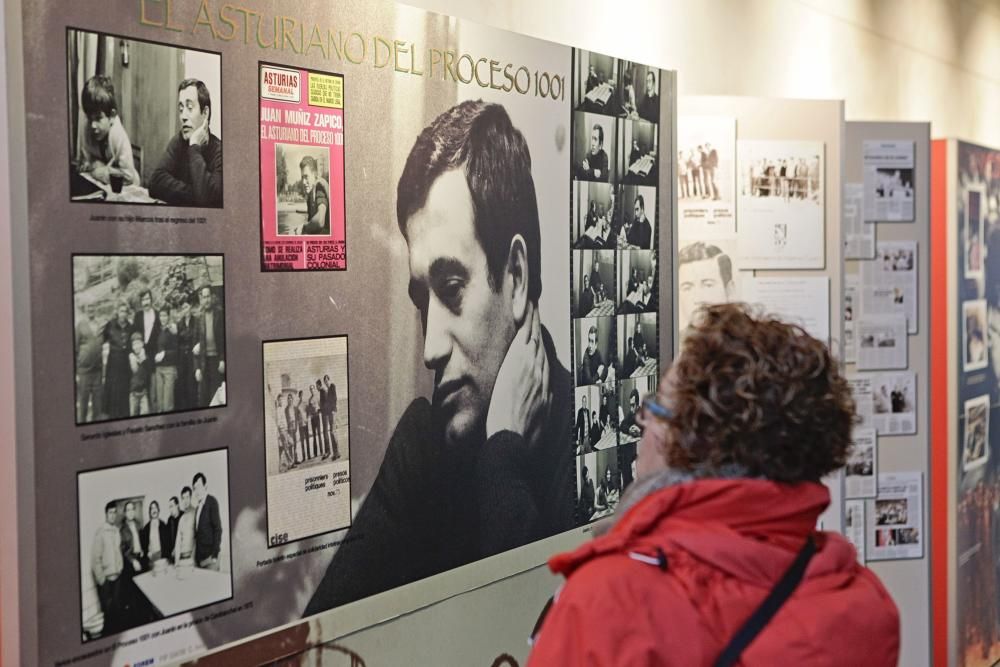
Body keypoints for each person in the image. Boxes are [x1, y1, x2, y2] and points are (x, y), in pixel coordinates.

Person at [305, 100, 574, 615]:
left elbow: (540, 636)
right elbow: (319, 639)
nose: (430, 349)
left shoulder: (583, 435)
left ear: (515, 278)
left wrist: (503, 460)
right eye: (422, 302)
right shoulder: (422, 442)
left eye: (451, 288)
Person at [527, 303, 900, 666]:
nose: (643, 423)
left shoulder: (611, 602)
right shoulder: (858, 598)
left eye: (655, 409)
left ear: (683, 439)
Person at [149, 79, 223, 206]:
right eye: (181, 109)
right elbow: (155, 182)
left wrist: (194, 147)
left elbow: (209, 201)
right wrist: (195, 195)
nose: (183, 116)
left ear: (205, 113)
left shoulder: (220, 151)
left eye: (189, 108)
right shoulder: (178, 141)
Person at [76, 75, 140, 186]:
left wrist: (103, 170)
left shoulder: (118, 135)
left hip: (127, 186)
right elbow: (87, 161)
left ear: (112, 116)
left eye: (98, 118)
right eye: (89, 118)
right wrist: (87, 164)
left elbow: (129, 176)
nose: (93, 125)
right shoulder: (87, 128)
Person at [678, 241, 736, 332]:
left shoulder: (748, 342)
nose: (698, 299)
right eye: (687, 288)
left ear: (729, 290)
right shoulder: (676, 343)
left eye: (708, 285)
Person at [91, 501, 124, 634]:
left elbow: (118, 551)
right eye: (110, 512)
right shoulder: (100, 532)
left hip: (118, 577)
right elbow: (95, 560)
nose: (113, 515)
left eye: (115, 512)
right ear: (106, 514)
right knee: (109, 615)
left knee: (117, 612)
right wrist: (102, 581)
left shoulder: (116, 531)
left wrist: (120, 569)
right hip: (107, 582)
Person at [194, 285, 225, 406]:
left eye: (208, 296)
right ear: (201, 299)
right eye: (203, 297)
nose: (206, 300)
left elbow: (224, 339)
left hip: (216, 361)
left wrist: (223, 359)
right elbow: (195, 346)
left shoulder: (220, 314)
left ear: (211, 297)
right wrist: (197, 368)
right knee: (203, 398)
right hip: (203, 362)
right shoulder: (198, 318)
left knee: (216, 396)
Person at [102, 302, 132, 420]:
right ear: (117, 312)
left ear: (127, 313)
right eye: (121, 311)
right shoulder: (110, 325)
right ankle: (113, 415)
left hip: (125, 362)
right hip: (113, 361)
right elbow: (103, 340)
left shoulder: (130, 326)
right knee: (114, 388)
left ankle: (124, 415)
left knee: (124, 387)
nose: (123, 314)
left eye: (125, 311)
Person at [132, 290, 161, 411]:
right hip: (141, 357)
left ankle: (153, 412)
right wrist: (137, 353)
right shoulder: (138, 316)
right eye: (143, 300)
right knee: (142, 388)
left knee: (153, 389)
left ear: (151, 300)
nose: (146, 302)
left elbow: (161, 334)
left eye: (148, 299)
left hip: (154, 358)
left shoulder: (158, 314)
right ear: (141, 302)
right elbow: (134, 335)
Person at [76, 301, 104, 423]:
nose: (91, 309)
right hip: (84, 373)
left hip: (97, 372)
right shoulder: (80, 325)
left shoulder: (100, 325)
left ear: (96, 308)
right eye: (89, 306)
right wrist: (76, 372)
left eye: (93, 306)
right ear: (85, 309)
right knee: (83, 406)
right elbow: (75, 349)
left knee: (98, 407)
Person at [193, 472, 223, 571]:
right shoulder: (198, 508)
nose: (196, 491)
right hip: (200, 560)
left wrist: (214, 556)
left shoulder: (212, 502)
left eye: (198, 487)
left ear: (205, 486)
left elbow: (218, 529)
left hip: (211, 559)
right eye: (194, 488)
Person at [153, 304, 178, 413]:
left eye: (165, 316)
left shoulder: (172, 331)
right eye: (161, 316)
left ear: (168, 316)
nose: (162, 318)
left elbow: (177, 351)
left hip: (169, 369)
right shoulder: (158, 331)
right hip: (158, 369)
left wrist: (164, 354)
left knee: (168, 404)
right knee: (159, 404)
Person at [174, 297, 198, 411]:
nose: (185, 310)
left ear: (191, 307)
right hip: (182, 358)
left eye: (187, 307)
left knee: (192, 383)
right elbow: (177, 343)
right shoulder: (179, 324)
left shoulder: (196, 321)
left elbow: (199, 338)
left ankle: (193, 407)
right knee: (182, 383)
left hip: (193, 357)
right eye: (183, 308)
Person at [299, 156, 330, 234]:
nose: (303, 182)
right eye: (302, 177)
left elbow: (320, 221)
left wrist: (304, 228)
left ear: (314, 174)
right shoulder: (310, 195)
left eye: (306, 177)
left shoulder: (319, 188)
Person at [128, 332, 151, 417]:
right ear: (132, 346)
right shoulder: (130, 358)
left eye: (138, 343)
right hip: (133, 393)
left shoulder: (146, 358)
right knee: (133, 413)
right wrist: (133, 360)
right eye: (134, 344)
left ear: (142, 344)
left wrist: (142, 359)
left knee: (145, 414)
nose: (136, 346)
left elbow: (148, 372)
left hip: (143, 393)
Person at [140, 500, 169, 566]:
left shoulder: (163, 525)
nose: (154, 510)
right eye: (152, 508)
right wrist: (147, 553)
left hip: (162, 556)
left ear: (158, 510)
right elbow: (143, 545)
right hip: (151, 558)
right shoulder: (146, 528)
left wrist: (166, 557)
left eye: (155, 508)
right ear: (150, 512)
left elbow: (167, 544)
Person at [120, 501, 145, 576]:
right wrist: (133, 561)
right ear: (125, 513)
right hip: (130, 562)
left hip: (141, 558)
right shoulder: (122, 530)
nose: (130, 512)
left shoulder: (139, 524)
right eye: (128, 510)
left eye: (132, 509)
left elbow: (142, 540)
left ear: (134, 511)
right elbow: (123, 551)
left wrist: (142, 550)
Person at [173, 486, 196, 565]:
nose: (185, 500)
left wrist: (193, 558)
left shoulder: (196, 513)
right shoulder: (182, 518)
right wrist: (177, 561)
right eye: (183, 498)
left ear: (191, 497)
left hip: (192, 558)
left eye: (187, 497)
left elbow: (197, 538)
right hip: (182, 558)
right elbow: (178, 541)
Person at [323, 374, 339, 459]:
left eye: (326, 380)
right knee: (332, 432)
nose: (326, 382)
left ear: (329, 380)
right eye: (325, 381)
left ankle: (336, 453)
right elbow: (328, 403)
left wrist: (333, 410)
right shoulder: (327, 390)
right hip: (329, 413)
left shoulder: (332, 386)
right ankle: (336, 453)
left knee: (333, 432)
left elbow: (335, 398)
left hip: (333, 412)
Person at [164, 496, 181, 564]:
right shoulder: (169, 520)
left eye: (172, 506)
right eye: (169, 507)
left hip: (182, 553)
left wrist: (177, 549)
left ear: (177, 505)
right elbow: (168, 539)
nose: (170, 509)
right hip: (173, 555)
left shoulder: (183, 516)